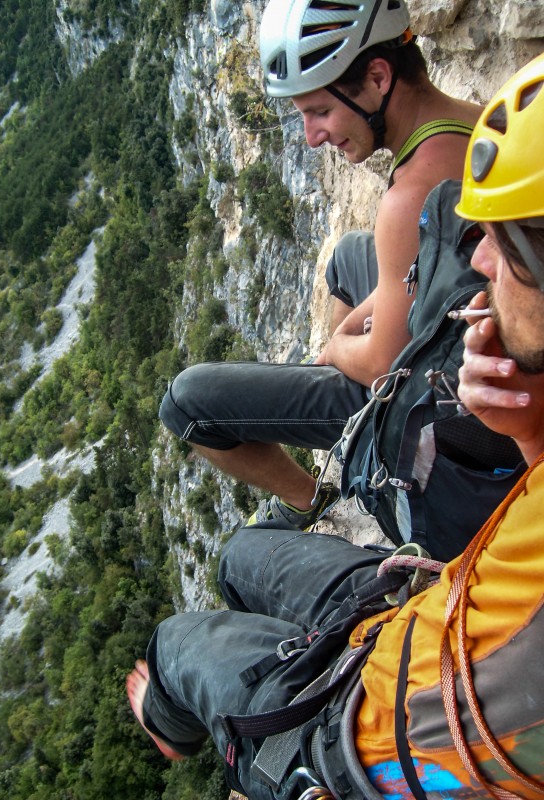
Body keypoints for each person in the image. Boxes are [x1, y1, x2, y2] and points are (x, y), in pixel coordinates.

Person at [128, 55, 544, 799]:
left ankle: (168, 720)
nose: (478, 257)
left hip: (366, 721)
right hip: (422, 612)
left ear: (378, 79)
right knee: (239, 555)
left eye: (506, 249)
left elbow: (383, 755)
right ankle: (307, 516)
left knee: (172, 647)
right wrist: (527, 430)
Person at [159, 0, 483, 530]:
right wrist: (370, 314)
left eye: (319, 112)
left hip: (420, 396)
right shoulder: (476, 122)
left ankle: (319, 493)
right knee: (348, 256)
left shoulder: (409, 199)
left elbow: (383, 365)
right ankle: (339, 405)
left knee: (186, 404)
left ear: (378, 77)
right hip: (455, 334)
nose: (311, 136)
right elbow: (438, 262)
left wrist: (336, 350)